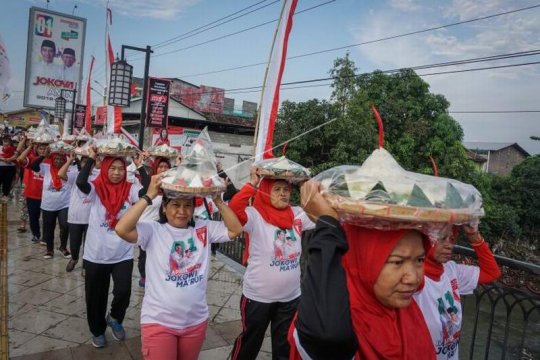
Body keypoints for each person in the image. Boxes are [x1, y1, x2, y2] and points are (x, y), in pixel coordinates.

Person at [289, 181, 435, 360]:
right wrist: (328, 225)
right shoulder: (331, 317)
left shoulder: (407, 312)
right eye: (397, 262)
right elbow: (328, 336)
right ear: (362, 261)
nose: (413, 278)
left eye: (419, 260)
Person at [115, 174, 243, 360]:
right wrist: (148, 196)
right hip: (159, 322)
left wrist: (218, 200)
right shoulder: (153, 230)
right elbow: (122, 229)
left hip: (195, 321)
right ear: (164, 207)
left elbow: (235, 230)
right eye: (175, 205)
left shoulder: (203, 228)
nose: (182, 211)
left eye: (187, 205)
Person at [229, 168, 315, 360]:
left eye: (286, 189)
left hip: (290, 297)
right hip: (258, 298)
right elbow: (234, 209)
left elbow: (323, 215)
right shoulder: (255, 216)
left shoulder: (298, 214)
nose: (283, 193)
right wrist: (252, 183)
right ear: (266, 191)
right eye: (277, 189)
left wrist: (305, 185)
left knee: (284, 346)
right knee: (249, 344)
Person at [76, 147, 143, 348]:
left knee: (123, 291)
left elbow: (148, 191)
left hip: (122, 252)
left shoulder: (130, 188)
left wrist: (140, 165)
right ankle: (97, 330)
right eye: (112, 168)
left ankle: (114, 318)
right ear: (104, 168)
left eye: (120, 169)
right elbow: (80, 182)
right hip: (96, 254)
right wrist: (90, 159)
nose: (116, 173)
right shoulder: (96, 187)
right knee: (96, 296)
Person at [413, 225, 501, 360]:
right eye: (442, 239)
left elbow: (492, 272)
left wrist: (474, 236)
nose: (449, 245)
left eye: (452, 239)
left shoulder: (451, 270)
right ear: (424, 239)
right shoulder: (412, 279)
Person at [29, 150, 76, 258]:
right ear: (52, 159)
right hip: (48, 204)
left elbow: (79, 167)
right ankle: (49, 250)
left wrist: (73, 159)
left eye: (61, 159)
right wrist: (43, 156)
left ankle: (63, 247)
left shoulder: (70, 169)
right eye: (56, 159)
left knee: (65, 225)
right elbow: (33, 166)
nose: (58, 161)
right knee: (49, 227)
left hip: (64, 204)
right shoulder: (45, 167)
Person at [61, 153, 101, 272]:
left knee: (88, 244)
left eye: (89, 162)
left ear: (93, 165)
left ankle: (85, 266)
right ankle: (74, 258)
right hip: (75, 217)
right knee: (74, 242)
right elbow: (60, 174)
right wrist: (70, 160)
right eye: (83, 162)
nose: (86, 164)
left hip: (91, 218)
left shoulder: (97, 175)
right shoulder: (75, 174)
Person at [137, 155, 172, 288]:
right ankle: (144, 276)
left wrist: (177, 167)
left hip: (160, 227)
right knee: (144, 255)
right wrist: (140, 166)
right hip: (145, 225)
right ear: (155, 169)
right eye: (161, 167)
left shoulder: (168, 187)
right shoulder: (147, 186)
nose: (163, 169)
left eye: (166, 167)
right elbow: (148, 184)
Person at [17, 139, 46, 243]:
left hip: (47, 196)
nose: (43, 151)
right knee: (33, 217)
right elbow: (20, 159)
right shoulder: (31, 158)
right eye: (41, 148)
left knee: (48, 219)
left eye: (45, 149)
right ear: (37, 149)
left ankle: (46, 238)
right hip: (32, 194)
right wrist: (30, 146)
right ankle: (36, 235)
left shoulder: (52, 160)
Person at [0, 134, 17, 202]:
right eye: (4, 143)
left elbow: (15, 157)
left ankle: (5, 195)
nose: (6, 146)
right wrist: (5, 160)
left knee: (7, 182)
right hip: (1, 167)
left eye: (7, 144)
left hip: (10, 168)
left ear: (10, 143)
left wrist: (8, 159)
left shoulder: (13, 149)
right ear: (2, 142)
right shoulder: (0, 148)